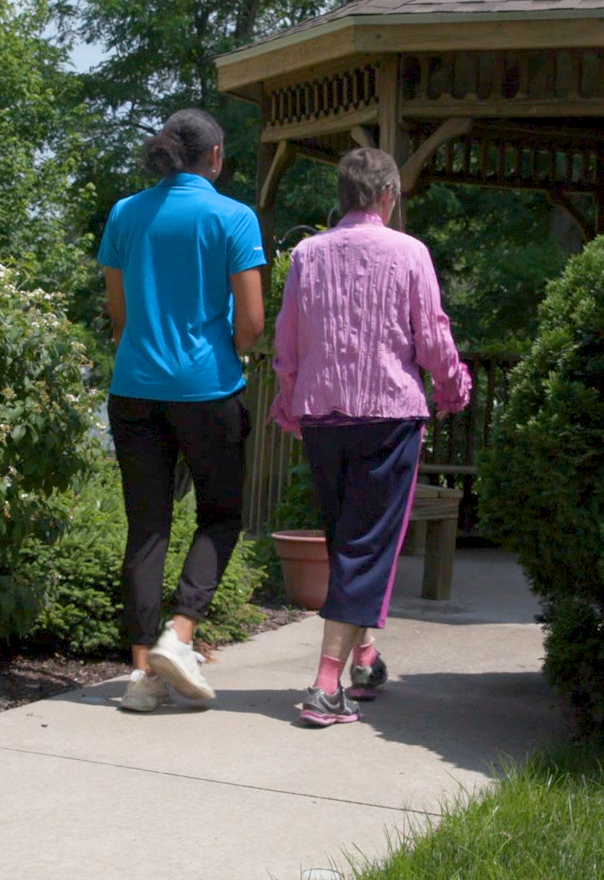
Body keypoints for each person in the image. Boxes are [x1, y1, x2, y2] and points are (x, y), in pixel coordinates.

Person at [269, 147, 471, 727]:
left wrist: (289, 402)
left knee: (345, 538)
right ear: (388, 195)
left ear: (343, 194)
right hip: (388, 416)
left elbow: (289, 342)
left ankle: (364, 658)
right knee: (366, 546)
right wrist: (453, 388)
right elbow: (431, 336)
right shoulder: (410, 253)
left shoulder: (307, 254)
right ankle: (325, 686)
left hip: (323, 416)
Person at [99, 108, 267, 713]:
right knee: (221, 516)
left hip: (134, 389)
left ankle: (144, 676)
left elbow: (119, 316)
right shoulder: (233, 217)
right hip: (207, 391)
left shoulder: (126, 213)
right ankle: (182, 632)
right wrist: (224, 351)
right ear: (215, 156)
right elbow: (250, 324)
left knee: (147, 526)